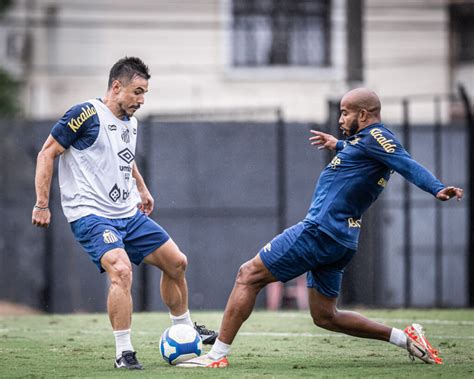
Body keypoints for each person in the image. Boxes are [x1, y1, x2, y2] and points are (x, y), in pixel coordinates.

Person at [177, 88, 463, 368]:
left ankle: (216, 356)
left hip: (320, 231)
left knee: (247, 274)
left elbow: (405, 163)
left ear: (363, 114)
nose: (340, 119)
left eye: (345, 112)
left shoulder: (378, 136)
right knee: (325, 316)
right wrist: (336, 144)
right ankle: (405, 338)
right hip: (341, 240)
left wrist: (437, 188)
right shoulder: (364, 141)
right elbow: (362, 152)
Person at [32, 56, 217, 370]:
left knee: (177, 262)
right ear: (116, 87)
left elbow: (124, 157)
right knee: (121, 270)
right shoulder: (85, 114)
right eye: (137, 92)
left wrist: (142, 188)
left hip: (127, 213)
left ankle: (184, 327)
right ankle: (124, 352)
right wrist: (41, 203)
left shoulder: (131, 122)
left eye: (145, 93)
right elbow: (47, 152)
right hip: (91, 215)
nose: (142, 100)